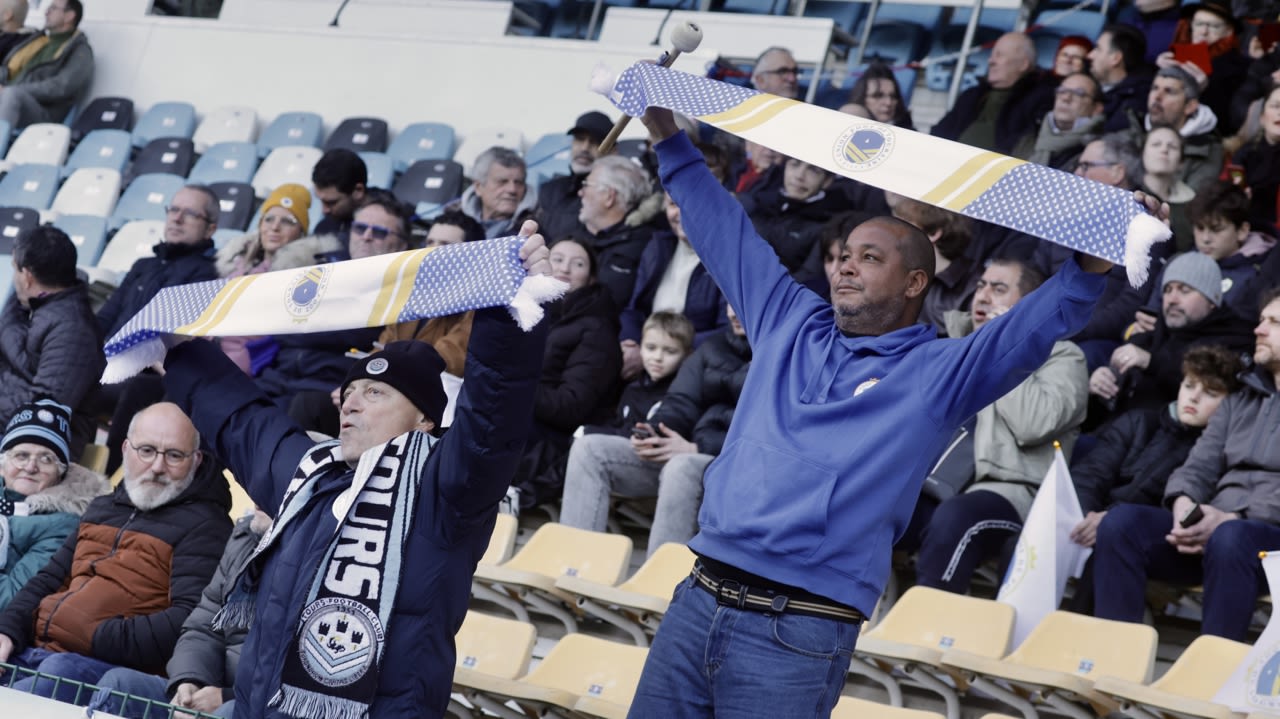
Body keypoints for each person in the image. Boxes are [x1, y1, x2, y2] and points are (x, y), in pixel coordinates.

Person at [627, 102, 1114, 717]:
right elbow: (724, 229)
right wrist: (668, 136)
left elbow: (1032, 327)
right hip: (696, 600)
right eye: (844, 255)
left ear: (916, 283)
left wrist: (1095, 256)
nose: (846, 266)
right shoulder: (787, 320)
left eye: (870, 258)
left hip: (797, 628)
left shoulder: (939, 372)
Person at [158, 223, 551, 718]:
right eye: (350, 393)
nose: (351, 405)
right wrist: (176, 348)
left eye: (376, 394)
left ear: (425, 420)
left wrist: (510, 308)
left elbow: (496, 411)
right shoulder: (310, 475)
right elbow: (242, 421)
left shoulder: (449, 487)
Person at [0, 402, 231, 704]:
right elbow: (48, 579)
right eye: (146, 450)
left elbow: (188, 618)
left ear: (196, 460)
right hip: (40, 649)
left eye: (174, 455)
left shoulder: (206, 525)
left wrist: (98, 635)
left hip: (104, 664)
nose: (158, 466)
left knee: (58, 671)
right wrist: (7, 631)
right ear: (126, 449)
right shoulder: (103, 507)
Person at [1092, 288, 1280, 641]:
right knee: (1122, 523)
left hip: (1266, 539)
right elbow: (1197, 466)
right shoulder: (1242, 398)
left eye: (1273, 322)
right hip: (1217, 532)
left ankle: (1214, 683)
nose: (1258, 329)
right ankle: (1113, 664)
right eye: (1261, 319)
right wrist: (1184, 509)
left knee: (1231, 538)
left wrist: (1231, 518)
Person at [906, 259, 1089, 594]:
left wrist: (1005, 348)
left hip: (1008, 491)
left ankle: (927, 632)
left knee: (956, 518)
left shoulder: (1064, 356)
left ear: (1030, 305)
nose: (984, 296)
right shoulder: (950, 346)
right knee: (876, 506)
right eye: (981, 285)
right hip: (933, 482)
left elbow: (1034, 424)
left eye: (999, 288)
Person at [560, 304, 748, 559]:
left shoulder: (787, 353)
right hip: (686, 453)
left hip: (737, 466)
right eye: (729, 301)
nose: (733, 312)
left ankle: (656, 586)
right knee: (589, 448)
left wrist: (699, 448)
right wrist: (655, 434)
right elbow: (680, 402)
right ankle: (572, 568)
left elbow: (771, 431)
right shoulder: (712, 347)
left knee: (681, 466)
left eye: (742, 302)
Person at [1064, 345, 1241, 614]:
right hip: (1089, 525)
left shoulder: (1223, 452)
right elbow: (1090, 475)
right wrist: (1089, 515)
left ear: (1229, 404)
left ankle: (1075, 647)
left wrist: (1108, 520)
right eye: (1189, 386)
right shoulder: (1139, 423)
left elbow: (1188, 512)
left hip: (1163, 544)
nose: (1193, 398)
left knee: (1107, 550)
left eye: (1210, 393)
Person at [87, 509, 273, 719]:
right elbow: (204, 626)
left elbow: (303, 670)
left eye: (274, 483)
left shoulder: (312, 555)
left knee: (231, 713)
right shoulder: (245, 535)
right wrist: (190, 680)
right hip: (212, 687)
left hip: (259, 704)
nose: (257, 492)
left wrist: (228, 696)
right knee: (118, 684)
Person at [506, 238, 622, 514]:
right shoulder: (526, 310)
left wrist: (511, 387)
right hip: (522, 427)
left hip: (550, 442)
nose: (565, 268)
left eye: (578, 263)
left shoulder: (596, 331)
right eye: (557, 259)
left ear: (591, 277)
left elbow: (570, 406)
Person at [1088, 251, 1255, 421]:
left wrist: (1151, 362)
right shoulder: (1152, 335)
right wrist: (1100, 385)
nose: (1172, 299)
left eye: (1185, 290)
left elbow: (1208, 386)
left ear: (1212, 301)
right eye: (1167, 290)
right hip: (1118, 434)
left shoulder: (1233, 340)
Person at [1, 225, 104, 458]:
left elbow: (44, 408)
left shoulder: (74, 330)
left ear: (27, 277)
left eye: (15, 270)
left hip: (42, 444)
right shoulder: (32, 305)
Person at [0, 399, 108, 609]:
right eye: (21, 456)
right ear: (4, 462)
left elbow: (12, 599)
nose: (31, 467)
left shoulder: (64, 525)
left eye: (46, 459)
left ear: (60, 472)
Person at [618, 191, 726, 380]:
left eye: (691, 204)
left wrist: (676, 349)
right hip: (652, 353)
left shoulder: (727, 258)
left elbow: (729, 329)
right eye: (673, 204)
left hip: (698, 364)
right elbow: (634, 309)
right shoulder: (658, 246)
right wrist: (632, 343)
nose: (681, 213)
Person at [97, 184, 220, 339]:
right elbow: (105, 318)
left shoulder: (209, 273)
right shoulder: (142, 265)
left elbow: (168, 337)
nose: (177, 219)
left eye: (190, 213)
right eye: (174, 210)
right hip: (105, 355)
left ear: (210, 229)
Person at [215, 183, 312, 375]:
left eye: (288, 221)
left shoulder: (300, 278)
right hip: (212, 353)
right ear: (259, 225)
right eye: (269, 219)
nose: (275, 227)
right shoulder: (236, 263)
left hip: (245, 365)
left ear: (301, 233)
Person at [931, 32, 1055, 155]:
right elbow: (939, 135)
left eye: (999, 55)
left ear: (1023, 65)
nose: (991, 61)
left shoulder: (1042, 99)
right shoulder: (971, 95)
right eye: (991, 55)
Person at [577, 155, 658, 308]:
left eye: (587, 185)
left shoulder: (647, 245)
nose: (580, 193)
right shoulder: (577, 236)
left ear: (609, 196)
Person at [1154, 0, 1247, 133]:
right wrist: (1160, 72)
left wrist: (1204, 88)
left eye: (1214, 26)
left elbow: (1228, 117)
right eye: (1199, 24)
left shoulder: (1239, 67)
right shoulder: (1174, 55)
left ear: (1228, 31)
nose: (1203, 32)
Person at [0, 0, 92, 128]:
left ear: (69, 16)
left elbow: (61, 87)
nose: (46, 12)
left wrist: (11, 90)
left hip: (44, 112)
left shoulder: (80, 51)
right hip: (12, 95)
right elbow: (11, 68)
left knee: (12, 95)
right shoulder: (41, 41)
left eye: (53, 8)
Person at [1140, 64, 1225, 191]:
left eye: (1169, 91)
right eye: (1154, 88)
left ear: (1190, 106)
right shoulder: (1133, 131)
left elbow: (1193, 203)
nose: (1157, 97)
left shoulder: (1207, 149)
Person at [534, 110, 613, 242]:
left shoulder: (612, 194)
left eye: (594, 142)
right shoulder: (549, 189)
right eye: (580, 139)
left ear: (611, 149)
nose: (585, 148)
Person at [1014, 71, 1104, 170]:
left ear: (1097, 108)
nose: (1066, 98)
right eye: (1062, 91)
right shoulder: (1028, 139)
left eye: (1079, 93)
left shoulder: (1099, 151)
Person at [1224, 81, 1280, 234]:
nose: (1279, 113)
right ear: (1262, 117)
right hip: (1245, 226)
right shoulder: (1244, 153)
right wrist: (1238, 194)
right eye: (1275, 106)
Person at [459, 146, 537, 239]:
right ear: (478, 187)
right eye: (502, 181)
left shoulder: (536, 229)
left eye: (518, 182)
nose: (512, 189)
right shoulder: (452, 220)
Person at [1089, 24, 1153, 133]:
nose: (1090, 55)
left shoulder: (1134, 103)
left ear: (1115, 58)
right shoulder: (1084, 84)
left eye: (1098, 49)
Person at [1140, 125, 1196, 247]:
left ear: (1181, 162)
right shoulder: (1129, 194)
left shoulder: (1193, 205)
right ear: (1142, 154)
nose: (1164, 150)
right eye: (1156, 144)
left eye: (1172, 147)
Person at [310, 148, 367, 240]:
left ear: (358, 191)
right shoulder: (323, 229)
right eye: (321, 201)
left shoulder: (379, 232)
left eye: (331, 203)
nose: (324, 210)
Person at [843, 62, 914, 129]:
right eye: (878, 96)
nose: (888, 103)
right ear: (861, 97)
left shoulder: (911, 134)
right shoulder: (849, 115)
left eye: (893, 96)